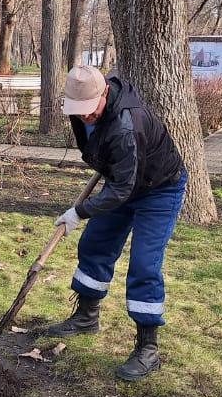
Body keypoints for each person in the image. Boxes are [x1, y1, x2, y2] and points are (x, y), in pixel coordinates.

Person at [48, 65, 187, 381]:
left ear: (104, 94)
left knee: (143, 265)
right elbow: (111, 169)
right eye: (79, 112)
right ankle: (85, 317)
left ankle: (148, 350)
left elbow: (124, 189)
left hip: (158, 189)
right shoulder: (82, 108)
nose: (84, 117)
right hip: (122, 181)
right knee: (94, 244)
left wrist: (79, 212)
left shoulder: (127, 125)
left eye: (89, 110)